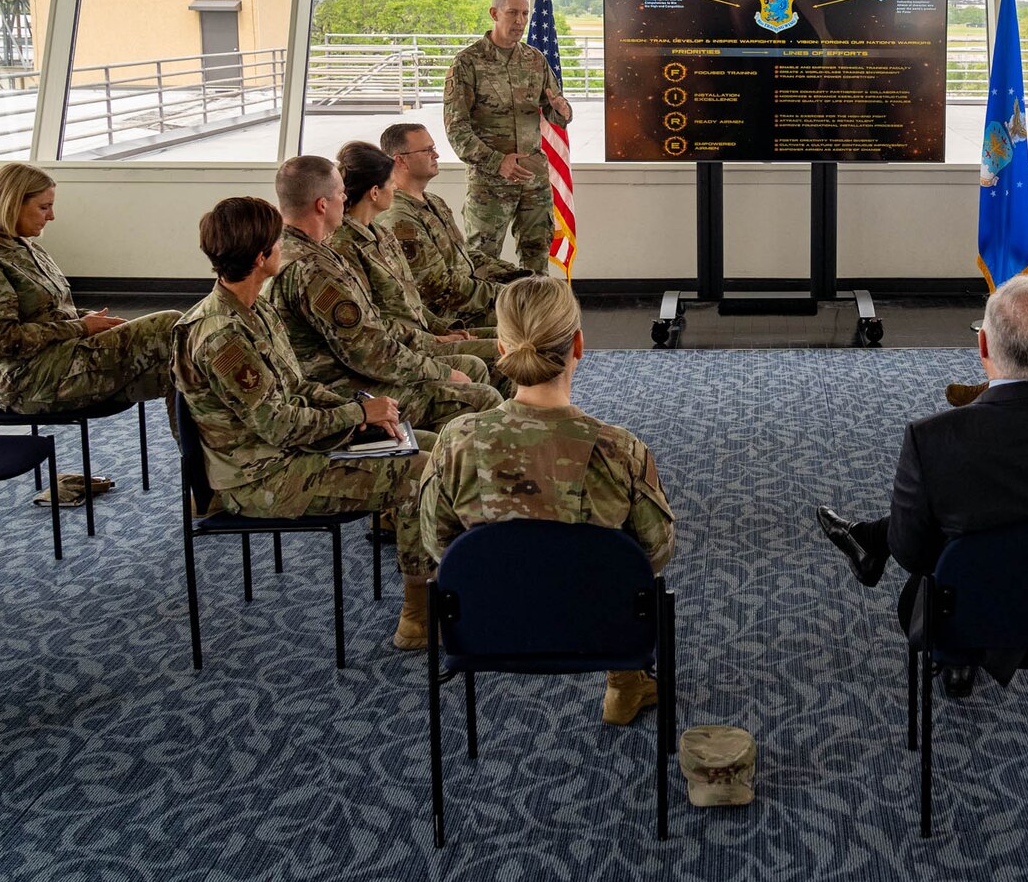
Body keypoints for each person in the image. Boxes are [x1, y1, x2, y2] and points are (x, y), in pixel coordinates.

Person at [814, 275, 1028, 697]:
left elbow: (911, 552)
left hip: (970, 616)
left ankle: (953, 648)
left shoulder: (933, 438)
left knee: (943, 539)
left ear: (982, 347)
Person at [175, 197, 435, 650]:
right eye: (277, 241)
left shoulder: (254, 307)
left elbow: (299, 386)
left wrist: (365, 409)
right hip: (261, 477)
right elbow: (278, 425)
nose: (284, 246)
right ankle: (418, 617)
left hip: (287, 453)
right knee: (420, 474)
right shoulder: (222, 335)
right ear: (261, 257)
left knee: (433, 444)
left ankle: (441, 579)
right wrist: (356, 417)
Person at [418, 275, 675, 725]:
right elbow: (655, 553)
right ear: (578, 345)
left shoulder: (455, 442)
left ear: (500, 349)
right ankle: (623, 683)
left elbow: (437, 543)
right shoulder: (619, 449)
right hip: (599, 627)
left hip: (488, 625)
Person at [0, 162, 177, 502]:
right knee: (169, 323)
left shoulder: (16, 244)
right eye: (43, 207)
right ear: (12, 203)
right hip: (29, 380)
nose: (51, 216)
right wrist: (81, 327)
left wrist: (92, 321)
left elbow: (51, 309)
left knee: (183, 372)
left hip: (59, 361)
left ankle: (208, 483)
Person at [267, 156, 501, 432]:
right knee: (479, 397)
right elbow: (369, 352)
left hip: (351, 371)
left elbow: (374, 322)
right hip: (339, 388)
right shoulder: (313, 269)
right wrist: (442, 372)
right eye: (340, 194)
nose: (346, 199)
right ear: (322, 205)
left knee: (471, 373)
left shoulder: (299, 250)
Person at [330, 140, 505, 386]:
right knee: (504, 353)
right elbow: (372, 325)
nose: (395, 188)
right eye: (391, 183)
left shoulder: (381, 235)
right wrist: (433, 340)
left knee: (514, 341)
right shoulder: (344, 247)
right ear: (374, 192)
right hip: (396, 350)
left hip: (419, 335)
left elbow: (409, 298)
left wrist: (444, 330)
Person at [442, 0, 573, 275]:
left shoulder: (534, 60)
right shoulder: (467, 63)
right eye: (512, 12)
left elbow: (554, 108)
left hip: (533, 177)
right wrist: (497, 162)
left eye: (525, 13)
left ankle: (536, 317)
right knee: (482, 261)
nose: (520, 21)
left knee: (537, 255)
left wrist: (562, 111)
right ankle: (491, 320)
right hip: (490, 182)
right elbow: (457, 130)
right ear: (494, 13)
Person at [381, 120, 525, 329]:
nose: (436, 155)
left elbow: (465, 256)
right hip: (446, 317)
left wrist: (517, 276)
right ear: (401, 161)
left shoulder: (433, 201)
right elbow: (438, 288)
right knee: (535, 316)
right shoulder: (399, 217)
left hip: (468, 300)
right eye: (427, 150)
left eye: (434, 148)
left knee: (538, 297)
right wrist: (503, 294)